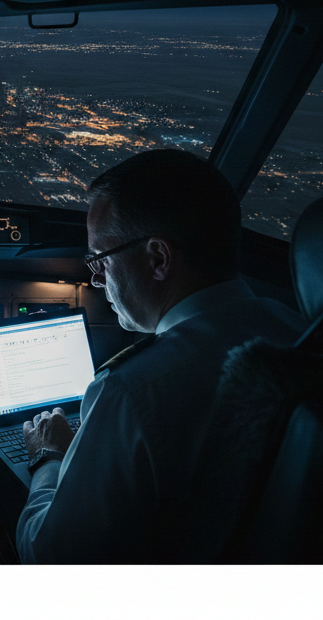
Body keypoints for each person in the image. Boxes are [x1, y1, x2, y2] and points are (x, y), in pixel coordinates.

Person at [16, 149, 304, 563]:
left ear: (158, 258)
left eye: (100, 260)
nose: (96, 280)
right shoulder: (301, 333)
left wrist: (49, 458)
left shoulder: (132, 392)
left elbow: (49, 556)